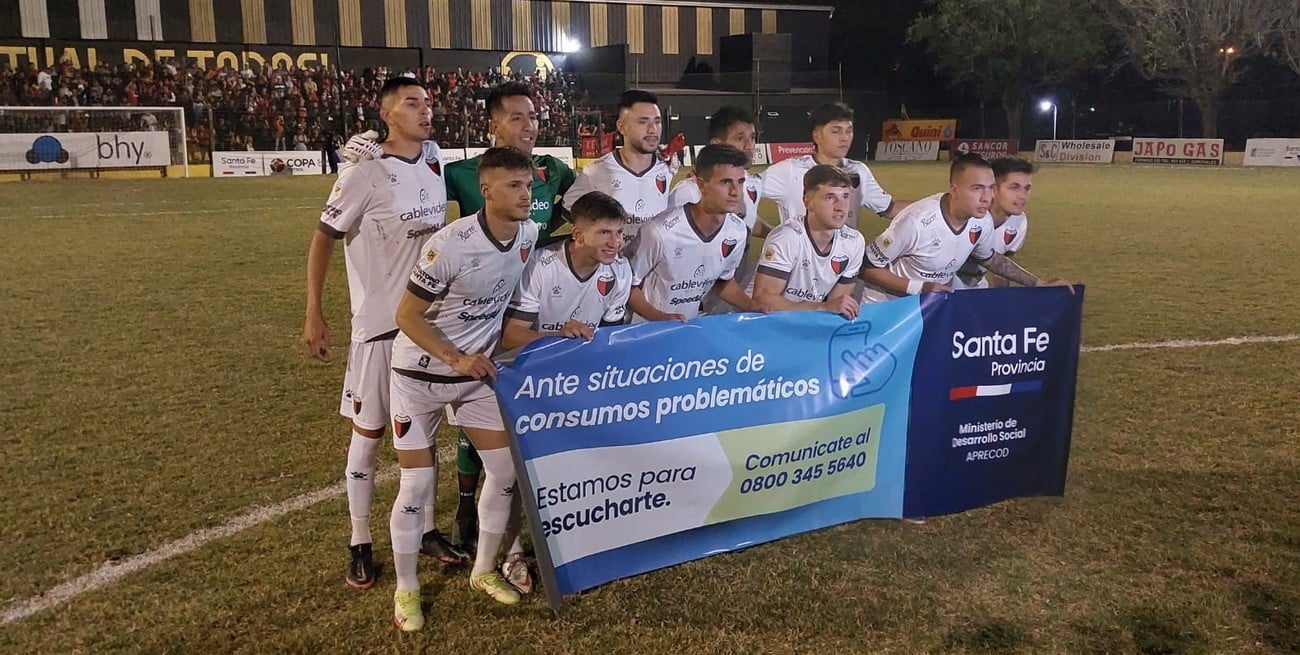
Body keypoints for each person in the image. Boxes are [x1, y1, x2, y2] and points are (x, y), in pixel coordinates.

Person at [300, 77, 450, 593]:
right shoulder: (363, 173)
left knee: (425, 431)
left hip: (426, 326)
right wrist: (314, 313)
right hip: (378, 329)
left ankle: (427, 528)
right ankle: (359, 541)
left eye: (428, 103)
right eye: (412, 103)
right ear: (387, 114)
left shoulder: (433, 158)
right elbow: (323, 239)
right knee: (368, 435)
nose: (425, 111)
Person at [388, 147, 541, 630]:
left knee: (505, 473)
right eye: (513, 186)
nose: (525, 194)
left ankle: (483, 570)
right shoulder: (450, 243)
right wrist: (455, 357)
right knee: (417, 483)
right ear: (486, 189)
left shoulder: (529, 235)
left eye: (529, 184)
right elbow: (406, 315)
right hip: (418, 379)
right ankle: (406, 589)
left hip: (475, 381)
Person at [859, 154, 1072, 301]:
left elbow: (990, 259)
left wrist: (1038, 283)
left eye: (990, 189)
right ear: (954, 190)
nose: (986, 197)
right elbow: (867, 267)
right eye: (977, 189)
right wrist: (919, 288)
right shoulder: (915, 221)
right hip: (887, 307)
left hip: (931, 306)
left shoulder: (982, 221)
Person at [627, 144, 766, 323]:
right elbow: (627, 285)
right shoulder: (660, 231)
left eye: (740, 182)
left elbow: (722, 281)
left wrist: (752, 306)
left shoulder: (737, 231)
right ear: (701, 184)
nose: (735, 192)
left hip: (689, 331)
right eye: (725, 182)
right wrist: (659, 318)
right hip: (649, 333)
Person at [668, 106, 772, 313]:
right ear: (717, 143)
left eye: (752, 138)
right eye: (740, 138)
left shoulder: (750, 184)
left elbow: (750, 221)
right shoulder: (689, 192)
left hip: (728, 294)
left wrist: (781, 234)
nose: (749, 145)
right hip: (685, 304)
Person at [502, 190, 633, 351]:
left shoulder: (621, 270)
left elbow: (610, 338)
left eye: (619, 232)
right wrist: (559, 337)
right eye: (604, 233)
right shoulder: (539, 265)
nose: (615, 243)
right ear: (578, 235)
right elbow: (510, 338)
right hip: (538, 365)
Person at [761, 101, 908, 229]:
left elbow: (890, 209)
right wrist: (770, 232)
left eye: (849, 131)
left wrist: (930, 206)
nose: (844, 138)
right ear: (817, 135)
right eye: (836, 131)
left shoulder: (859, 171)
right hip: (798, 260)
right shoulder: (789, 171)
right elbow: (746, 191)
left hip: (843, 259)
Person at [749, 165, 864, 320]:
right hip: (766, 324)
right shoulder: (787, 238)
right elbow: (763, 299)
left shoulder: (854, 242)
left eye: (845, 196)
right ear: (808, 201)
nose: (840, 207)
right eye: (830, 198)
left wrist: (825, 309)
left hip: (808, 322)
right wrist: (820, 307)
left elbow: (836, 304)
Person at [563, 90, 673, 247]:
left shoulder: (667, 167)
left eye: (657, 121)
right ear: (621, 127)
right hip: (612, 268)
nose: (653, 129)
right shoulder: (597, 171)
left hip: (656, 268)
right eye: (643, 122)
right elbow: (569, 210)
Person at [952, 157, 1033, 290]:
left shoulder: (1019, 222)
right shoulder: (967, 216)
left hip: (977, 286)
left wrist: (1001, 300)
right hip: (941, 287)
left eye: (1027, 188)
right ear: (993, 189)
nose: (1022, 196)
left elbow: (1002, 268)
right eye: (1014, 188)